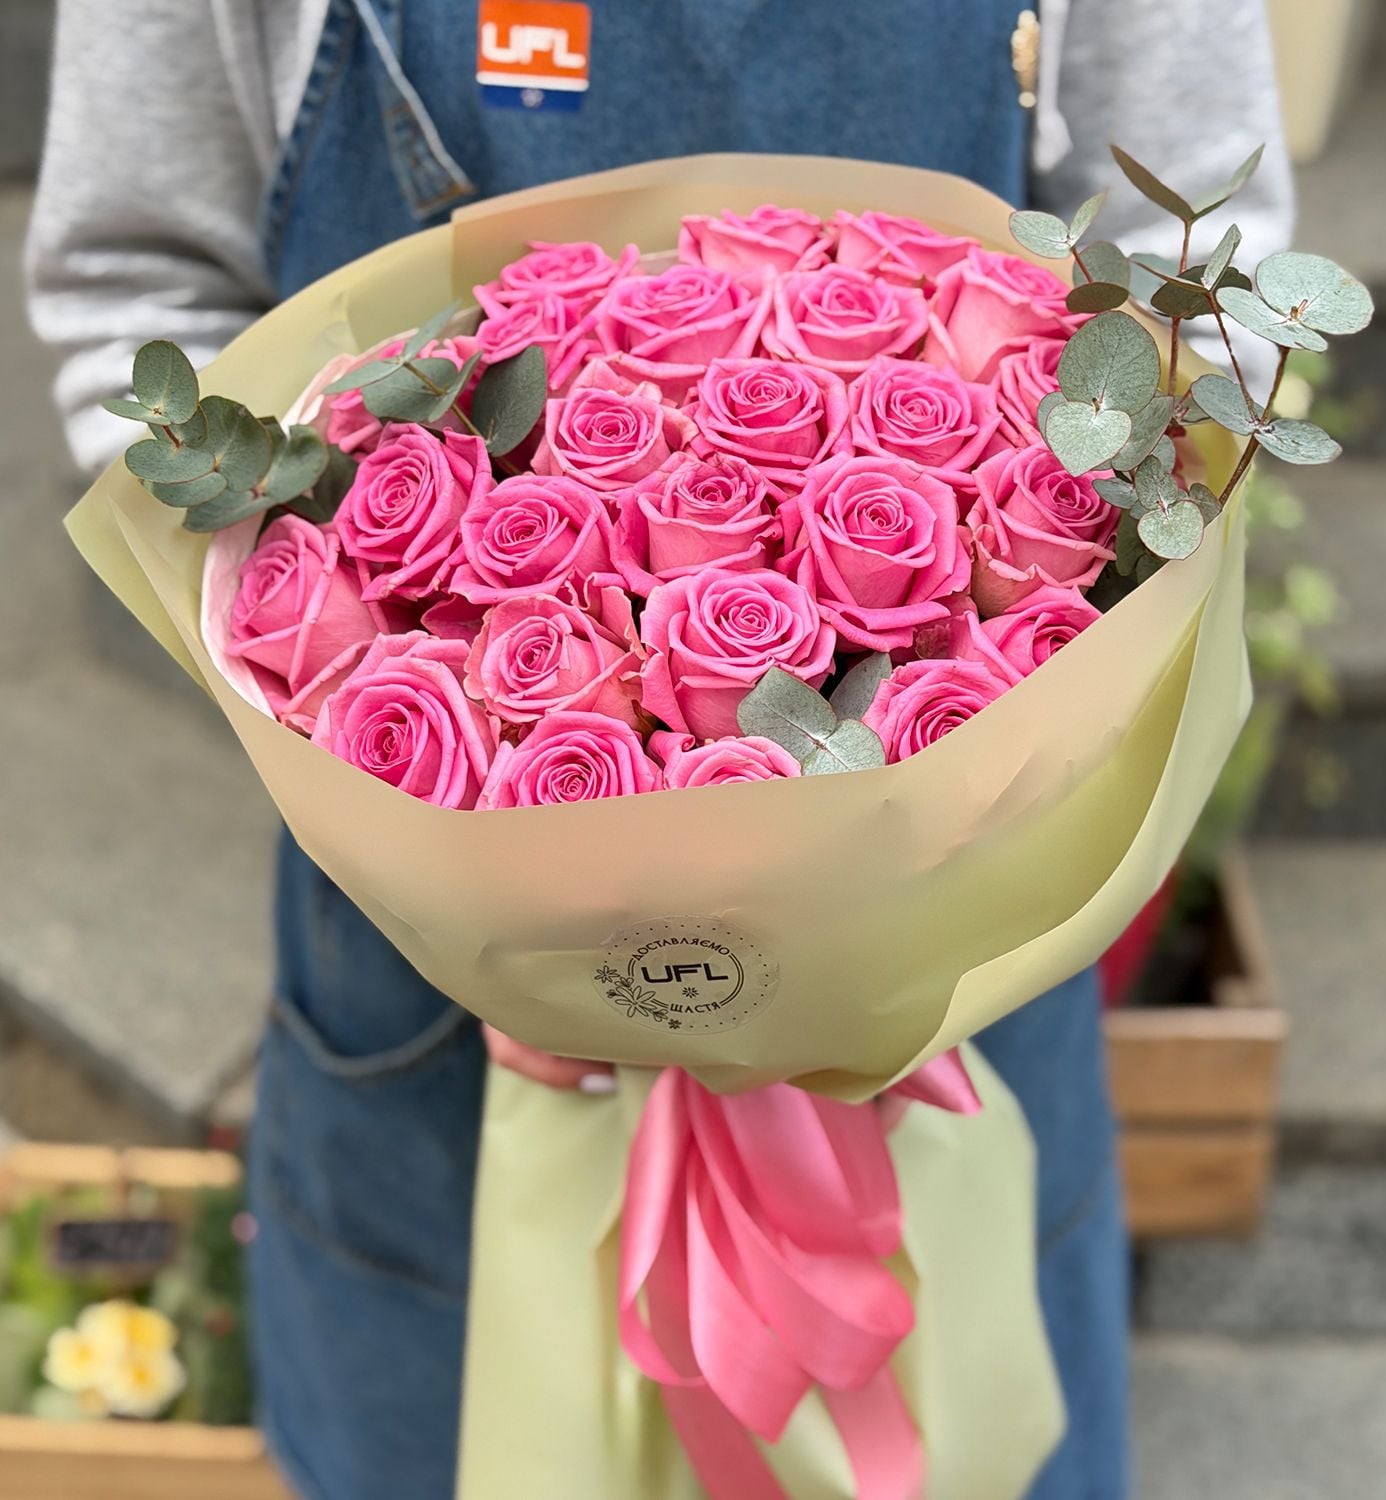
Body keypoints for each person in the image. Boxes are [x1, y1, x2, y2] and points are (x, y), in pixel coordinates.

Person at [27, 5, 1291, 1497]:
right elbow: (137, 293)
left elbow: (1218, 309)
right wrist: (367, 707)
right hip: (442, 1041)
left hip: (955, 1000)